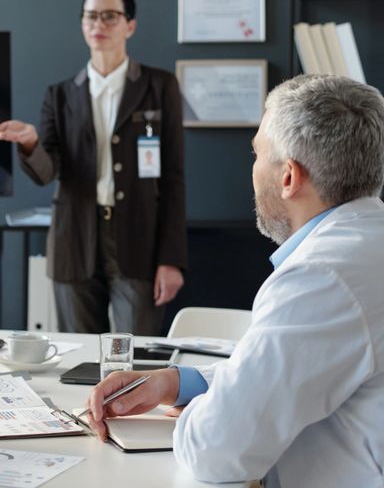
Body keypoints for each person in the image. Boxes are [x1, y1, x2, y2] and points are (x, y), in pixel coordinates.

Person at [85, 74, 384, 487]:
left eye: (257, 153)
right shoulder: (366, 247)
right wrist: (177, 383)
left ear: (288, 177)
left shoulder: (323, 276)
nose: (253, 168)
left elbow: (217, 451)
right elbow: (283, 372)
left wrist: (204, 410)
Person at [0, 0, 186, 335]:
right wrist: (32, 144)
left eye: (110, 16)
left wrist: (171, 260)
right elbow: (47, 172)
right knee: (79, 357)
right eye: (91, 16)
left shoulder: (160, 86)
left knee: (135, 357)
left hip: (139, 241)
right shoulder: (60, 95)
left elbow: (173, 177)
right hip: (74, 240)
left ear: (130, 25)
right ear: (82, 24)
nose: (99, 24)